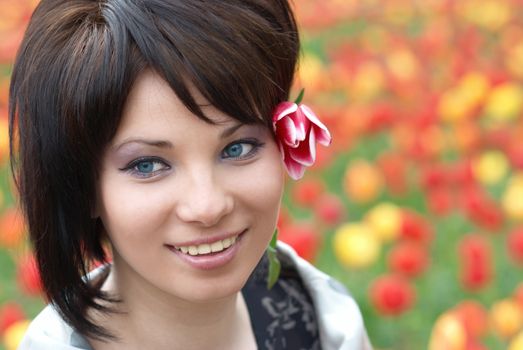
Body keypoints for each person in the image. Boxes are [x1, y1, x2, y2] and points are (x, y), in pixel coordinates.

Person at [9, 1, 372, 349]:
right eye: (147, 165)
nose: (208, 206)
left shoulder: (320, 318)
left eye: (238, 148)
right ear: (81, 183)